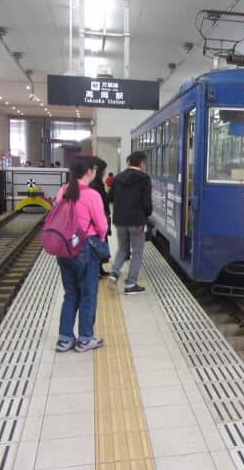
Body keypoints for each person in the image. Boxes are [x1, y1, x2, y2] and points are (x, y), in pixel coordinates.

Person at [54, 155, 108, 352]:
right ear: (89, 171)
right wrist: (100, 239)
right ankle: (85, 338)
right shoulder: (92, 195)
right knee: (88, 294)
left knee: (70, 294)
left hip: (64, 247)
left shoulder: (63, 191)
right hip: (85, 248)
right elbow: (102, 225)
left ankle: (65, 338)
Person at [108, 151, 152, 294]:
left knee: (122, 249)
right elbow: (146, 201)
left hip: (120, 220)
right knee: (137, 252)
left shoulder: (119, 177)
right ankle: (131, 284)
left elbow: (110, 197)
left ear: (129, 163)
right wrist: (148, 214)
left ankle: (114, 273)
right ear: (141, 164)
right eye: (145, 164)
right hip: (136, 221)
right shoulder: (144, 179)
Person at [89, 157, 112, 278]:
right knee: (97, 247)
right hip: (96, 224)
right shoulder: (94, 185)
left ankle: (100, 268)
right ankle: (96, 270)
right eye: (103, 169)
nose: (105, 172)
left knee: (100, 246)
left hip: (100, 221)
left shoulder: (98, 184)